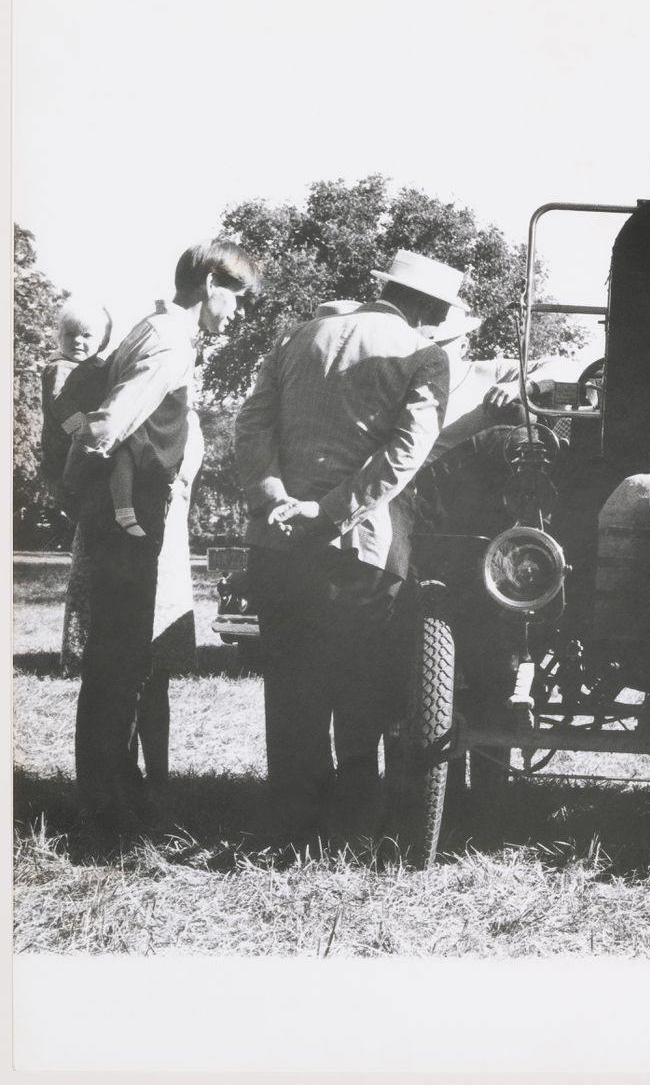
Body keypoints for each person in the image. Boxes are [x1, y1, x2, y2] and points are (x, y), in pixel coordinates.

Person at [235, 249, 455, 842]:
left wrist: (273, 498)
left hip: (277, 541)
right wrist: (328, 512)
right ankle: (352, 829)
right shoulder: (424, 355)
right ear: (430, 310)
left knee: (290, 687)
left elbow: (251, 424)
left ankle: (291, 824)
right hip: (358, 545)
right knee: (360, 688)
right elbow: (404, 454)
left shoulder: (297, 337)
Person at [67, 241, 260, 833]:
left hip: (127, 518)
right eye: (240, 298)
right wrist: (88, 486)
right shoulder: (172, 339)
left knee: (119, 664)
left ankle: (113, 798)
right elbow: (110, 423)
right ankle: (105, 818)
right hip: (131, 521)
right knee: (118, 666)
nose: (241, 314)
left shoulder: (155, 328)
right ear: (210, 284)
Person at [39, 297, 113, 675]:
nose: (78, 342)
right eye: (70, 334)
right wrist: (85, 436)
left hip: (79, 455)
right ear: (59, 337)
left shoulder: (93, 368)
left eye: (87, 335)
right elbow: (61, 410)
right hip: (66, 455)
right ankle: (80, 651)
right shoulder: (60, 368)